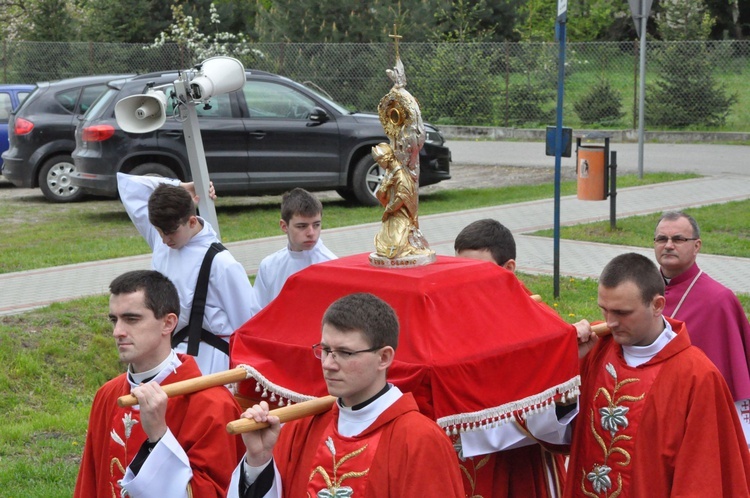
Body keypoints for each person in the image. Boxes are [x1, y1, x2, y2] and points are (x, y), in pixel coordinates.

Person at [227, 293, 464, 497]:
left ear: (384, 358)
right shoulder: (304, 426)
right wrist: (258, 460)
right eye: (326, 350)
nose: (329, 364)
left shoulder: (418, 439)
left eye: (345, 353)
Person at [568, 253, 750, 497]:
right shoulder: (594, 351)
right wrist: (567, 363)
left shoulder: (697, 376)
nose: (610, 322)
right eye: (604, 309)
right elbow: (556, 430)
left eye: (622, 312)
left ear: (657, 306)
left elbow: (702, 477)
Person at [74, 270, 244, 497]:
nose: (117, 332)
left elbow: (216, 492)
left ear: (168, 323)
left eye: (131, 319)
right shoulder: (108, 394)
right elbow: (91, 482)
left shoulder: (213, 404)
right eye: (114, 320)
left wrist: (159, 437)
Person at [454, 218, 567, 498]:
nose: (466, 283)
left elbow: (550, 413)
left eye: (478, 272)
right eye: (459, 271)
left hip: (519, 463)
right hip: (462, 461)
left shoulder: (542, 325)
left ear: (509, 269)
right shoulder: (452, 317)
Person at [117, 172, 257, 375]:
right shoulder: (162, 241)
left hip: (211, 364)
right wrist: (182, 186)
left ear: (192, 222)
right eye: (159, 231)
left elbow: (247, 325)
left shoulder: (221, 263)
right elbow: (130, 185)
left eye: (171, 232)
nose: (165, 240)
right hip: (168, 360)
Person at [653, 210, 750, 442]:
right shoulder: (641, 291)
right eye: (661, 239)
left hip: (696, 415)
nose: (668, 245)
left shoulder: (719, 300)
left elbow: (733, 374)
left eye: (678, 239)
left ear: (696, 246)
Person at [253, 188, 336, 311]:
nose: (311, 233)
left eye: (316, 225)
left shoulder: (332, 265)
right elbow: (257, 312)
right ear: (284, 226)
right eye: (302, 226)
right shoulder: (269, 266)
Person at [372, 142, 430, 259]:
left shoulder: (401, 176)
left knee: (399, 242)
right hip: (392, 215)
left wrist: (388, 210)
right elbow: (380, 195)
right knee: (384, 240)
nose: (379, 164)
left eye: (379, 161)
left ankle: (407, 246)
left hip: (401, 215)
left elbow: (402, 198)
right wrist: (384, 188)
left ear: (387, 158)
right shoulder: (389, 174)